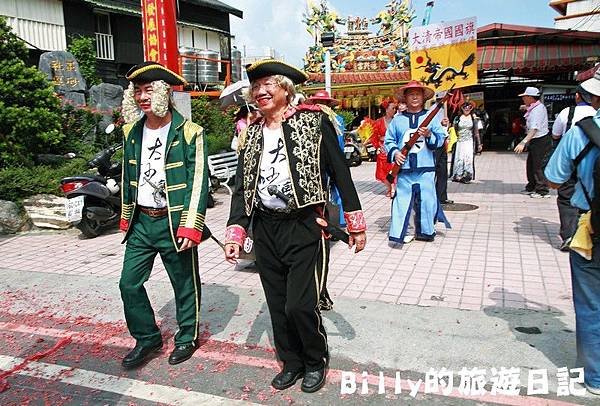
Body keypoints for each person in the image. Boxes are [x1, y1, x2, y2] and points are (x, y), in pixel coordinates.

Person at [223, 60, 367, 393]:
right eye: (255, 86)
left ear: (286, 88)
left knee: (300, 305)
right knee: (277, 305)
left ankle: (315, 360)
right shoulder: (252, 132)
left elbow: (340, 173)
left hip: (305, 225)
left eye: (267, 84)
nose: (260, 92)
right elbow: (242, 187)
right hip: (265, 228)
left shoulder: (314, 121)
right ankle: (292, 362)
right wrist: (236, 231)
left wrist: (355, 223)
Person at [118, 61, 209, 368]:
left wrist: (191, 225)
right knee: (128, 283)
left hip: (173, 220)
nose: (143, 97)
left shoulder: (189, 132)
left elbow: (198, 180)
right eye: (138, 91)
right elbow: (127, 173)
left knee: (184, 283)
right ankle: (146, 338)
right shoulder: (132, 131)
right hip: (141, 221)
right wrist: (125, 215)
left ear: (164, 93)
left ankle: (186, 337)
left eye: (149, 90)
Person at [544, 69, 600, 395]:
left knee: (592, 303)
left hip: (591, 227)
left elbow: (553, 176)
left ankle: (595, 377)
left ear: (593, 98)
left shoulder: (582, 132)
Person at [384, 80, 450, 244]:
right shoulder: (397, 121)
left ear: (423, 97)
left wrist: (429, 135)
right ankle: (405, 231)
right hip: (404, 169)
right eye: (410, 94)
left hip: (426, 168)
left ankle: (426, 231)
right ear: (405, 98)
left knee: (427, 200)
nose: (414, 97)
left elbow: (440, 140)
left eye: (417, 94)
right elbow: (389, 141)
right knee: (402, 201)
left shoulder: (432, 117)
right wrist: (396, 153)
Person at [303, 90, 346, 311]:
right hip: (304, 190)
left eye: (323, 103)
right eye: (317, 102)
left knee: (321, 241)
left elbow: (335, 153)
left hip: (323, 182)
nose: (320, 106)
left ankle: (320, 293)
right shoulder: (301, 121)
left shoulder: (333, 121)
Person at [550, 86, 596, 251]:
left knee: (566, 198)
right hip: (593, 172)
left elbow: (555, 134)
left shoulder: (567, 114)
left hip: (571, 165)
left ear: (577, 96)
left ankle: (569, 236)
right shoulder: (594, 114)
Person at [514, 87, 552, 198]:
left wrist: (523, 142)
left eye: (525, 97)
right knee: (531, 164)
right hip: (535, 140)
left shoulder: (538, 110)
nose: (523, 99)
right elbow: (526, 108)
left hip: (541, 140)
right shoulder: (533, 107)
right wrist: (525, 107)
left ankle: (542, 190)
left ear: (530, 97)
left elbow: (534, 129)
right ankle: (531, 186)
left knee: (538, 166)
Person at [450, 101, 482, 184]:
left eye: (469, 107)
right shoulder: (457, 118)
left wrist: (479, 144)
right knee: (459, 158)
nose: (467, 109)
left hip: (469, 141)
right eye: (465, 107)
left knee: (468, 158)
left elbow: (476, 132)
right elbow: (454, 129)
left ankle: (467, 176)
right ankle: (458, 175)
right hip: (460, 141)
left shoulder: (473, 119)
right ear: (461, 108)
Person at [372, 99, 399, 198]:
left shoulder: (397, 121)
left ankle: (393, 187)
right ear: (386, 109)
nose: (395, 110)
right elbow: (374, 136)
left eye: (395, 108)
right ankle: (389, 187)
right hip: (383, 149)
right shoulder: (379, 122)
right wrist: (378, 146)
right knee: (383, 170)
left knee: (394, 168)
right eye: (393, 108)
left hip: (394, 149)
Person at [432, 93, 453, 204]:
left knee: (443, 171)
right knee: (433, 171)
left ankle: (442, 196)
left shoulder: (444, 110)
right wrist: (440, 124)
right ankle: (431, 196)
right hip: (434, 144)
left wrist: (446, 126)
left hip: (443, 142)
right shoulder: (431, 110)